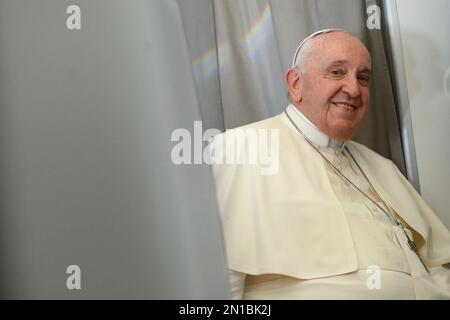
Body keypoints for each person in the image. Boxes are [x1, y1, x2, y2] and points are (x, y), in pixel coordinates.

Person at [210, 29, 450, 299]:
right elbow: (214, 283)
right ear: (295, 84)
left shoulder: (382, 167)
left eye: (363, 77)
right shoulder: (241, 148)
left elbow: (437, 261)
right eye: (336, 72)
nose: (353, 89)